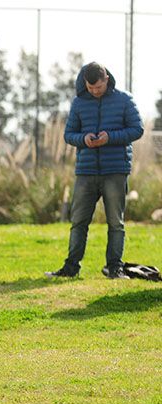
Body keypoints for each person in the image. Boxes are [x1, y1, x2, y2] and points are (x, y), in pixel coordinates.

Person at [46, 62, 143, 280]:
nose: (94, 92)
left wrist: (111, 137)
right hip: (86, 171)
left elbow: (138, 129)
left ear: (106, 78)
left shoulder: (125, 100)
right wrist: (83, 139)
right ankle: (71, 268)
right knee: (78, 221)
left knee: (115, 223)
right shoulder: (79, 103)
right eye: (90, 88)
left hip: (115, 170)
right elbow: (69, 134)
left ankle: (114, 268)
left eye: (98, 87)